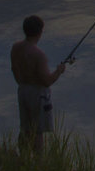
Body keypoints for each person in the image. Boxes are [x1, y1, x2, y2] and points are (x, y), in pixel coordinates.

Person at [10, 14, 66, 151]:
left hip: (22, 89)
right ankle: (38, 162)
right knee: (38, 131)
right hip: (38, 94)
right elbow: (47, 81)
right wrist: (59, 71)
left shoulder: (16, 48)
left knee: (25, 127)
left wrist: (22, 83)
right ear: (40, 32)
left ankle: (23, 156)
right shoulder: (39, 55)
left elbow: (14, 69)